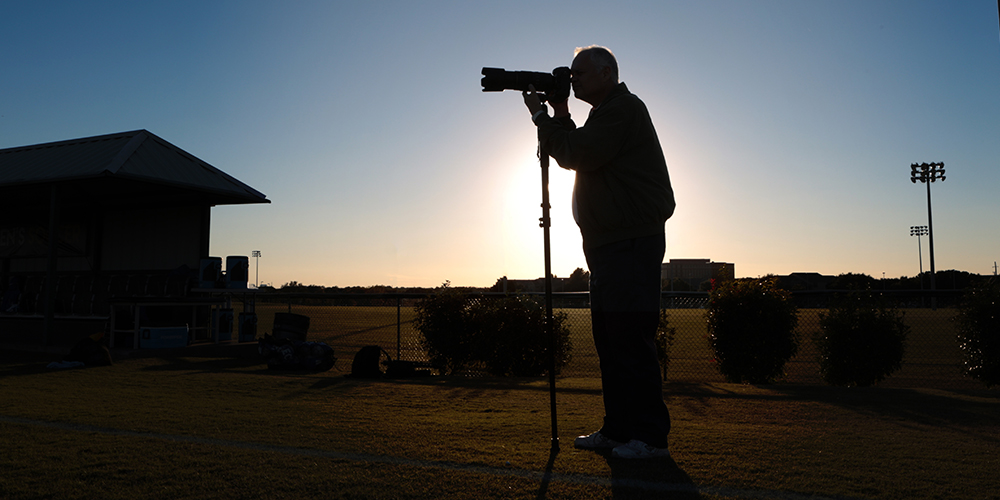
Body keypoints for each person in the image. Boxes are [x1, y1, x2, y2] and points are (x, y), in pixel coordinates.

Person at [523, 46, 675, 459]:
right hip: (608, 245)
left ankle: (649, 439)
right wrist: (559, 113)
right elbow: (579, 146)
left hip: (630, 242)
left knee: (630, 340)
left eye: (580, 74)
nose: (573, 81)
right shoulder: (605, 114)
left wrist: (541, 118)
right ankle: (619, 429)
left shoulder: (623, 108)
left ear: (607, 73)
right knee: (611, 343)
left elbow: (579, 154)